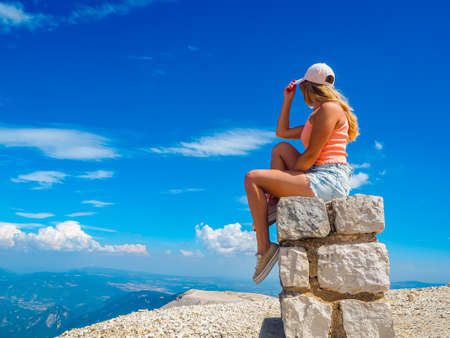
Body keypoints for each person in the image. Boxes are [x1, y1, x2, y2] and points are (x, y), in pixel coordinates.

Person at [244, 63, 359, 284]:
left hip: (329, 178)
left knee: (253, 178)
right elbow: (282, 133)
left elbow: (311, 156)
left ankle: (264, 250)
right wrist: (287, 100)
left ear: (307, 87)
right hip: (319, 172)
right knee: (281, 149)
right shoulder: (317, 113)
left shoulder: (329, 109)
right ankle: (274, 205)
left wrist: (282, 180)